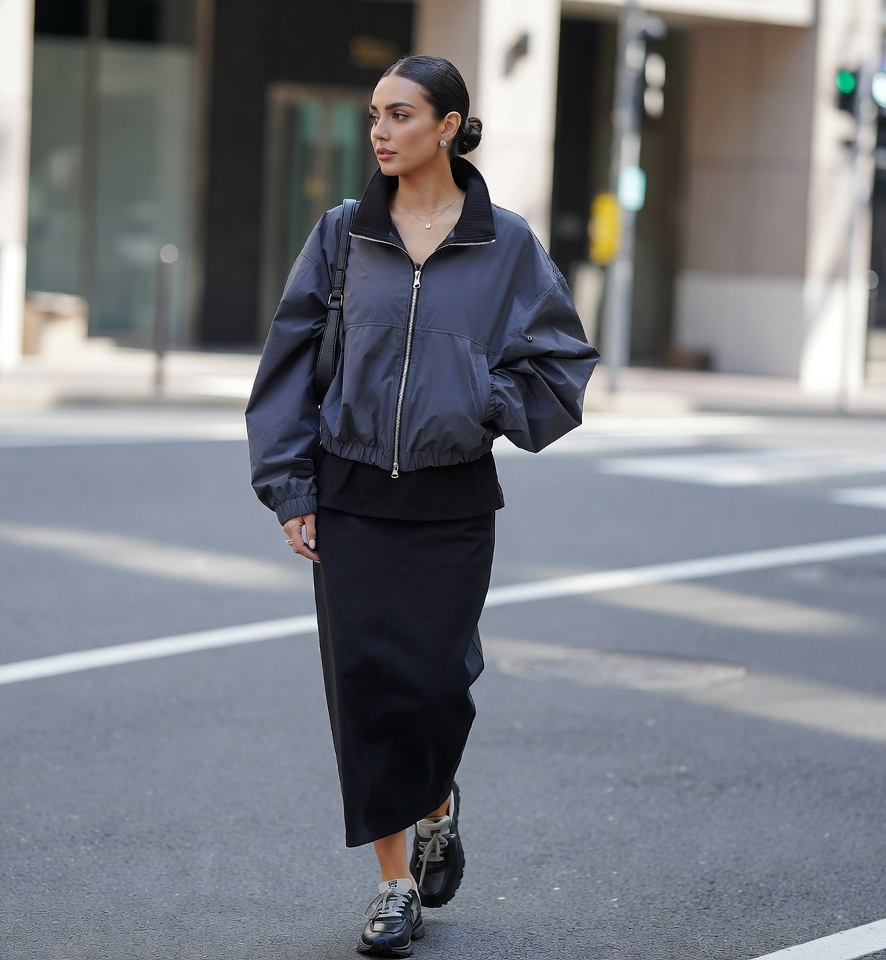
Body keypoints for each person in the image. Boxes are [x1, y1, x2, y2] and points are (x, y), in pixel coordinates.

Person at [245, 54, 599, 957]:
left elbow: (560, 365)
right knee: (364, 691)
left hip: (451, 498)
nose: (380, 131)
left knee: (437, 687)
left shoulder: (505, 243)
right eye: (375, 115)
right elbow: (287, 366)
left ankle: (437, 801)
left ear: (448, 125)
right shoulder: (341, 235)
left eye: (400, 114)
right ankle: (394, 884)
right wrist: (290, 486)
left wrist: (485, 401)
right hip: (351, 488)